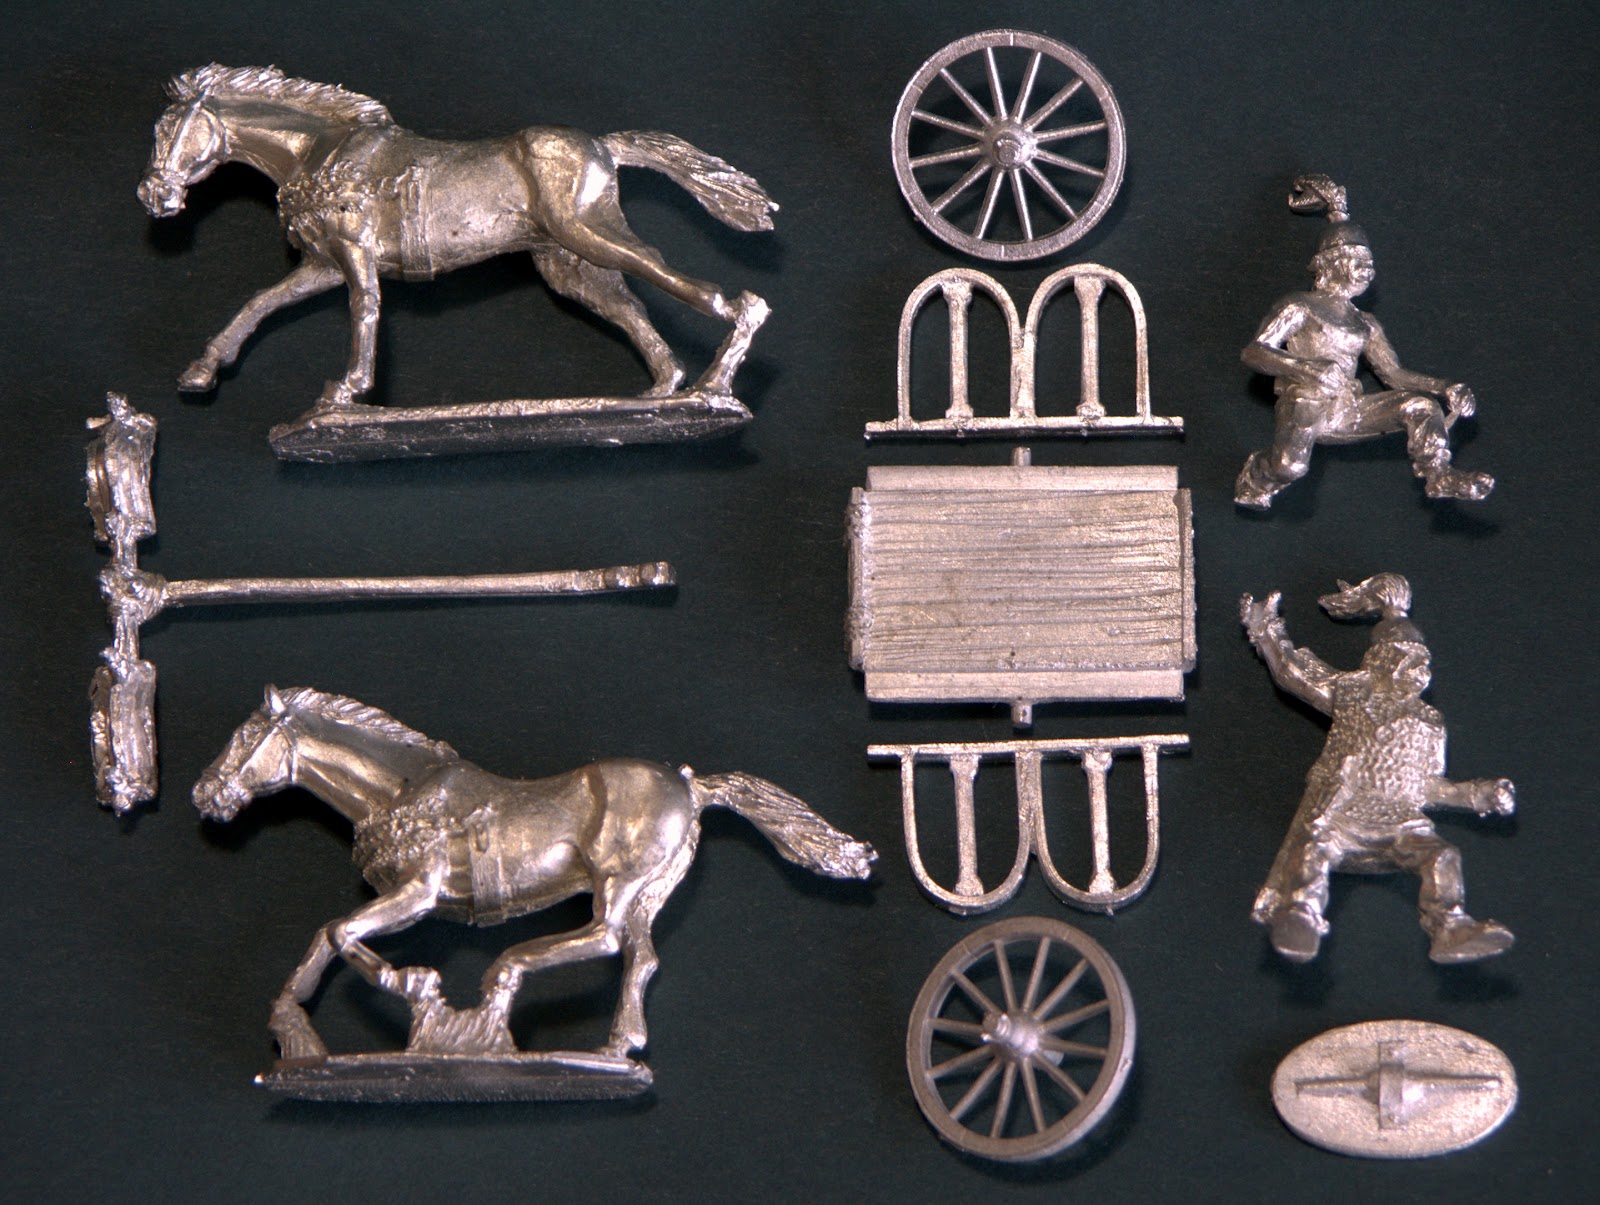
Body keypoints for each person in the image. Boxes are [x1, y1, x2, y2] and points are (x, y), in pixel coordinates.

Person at [1241, 574, 1514, 964]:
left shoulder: (1428, 721)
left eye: (1423, 661)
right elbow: (1293, 674)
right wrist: (1267, 633)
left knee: (1442, 856)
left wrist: (1479, 794)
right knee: (1312, 849)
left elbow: (1428, 786)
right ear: (1383, 660)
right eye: (1408, 659)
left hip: (1401, 822)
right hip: (1343, 812)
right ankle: (1301, 915)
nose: (1420, 670)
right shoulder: (1353, 693)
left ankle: (1449, 927)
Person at [1235, 175, 1493, 509]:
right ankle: (1256, 478)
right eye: (1359, 263)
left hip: (1349, 408)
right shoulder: (1300, 305)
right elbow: (1254, 352)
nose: (1368, 272)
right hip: (1306, 402)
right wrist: (1306, 368)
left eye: (1370, 264)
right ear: (1333, 263)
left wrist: (1445, 387)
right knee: (1289, 467)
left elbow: (1394, 375)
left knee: (1420, 406)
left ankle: (1438, 473)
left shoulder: (1365, 322)